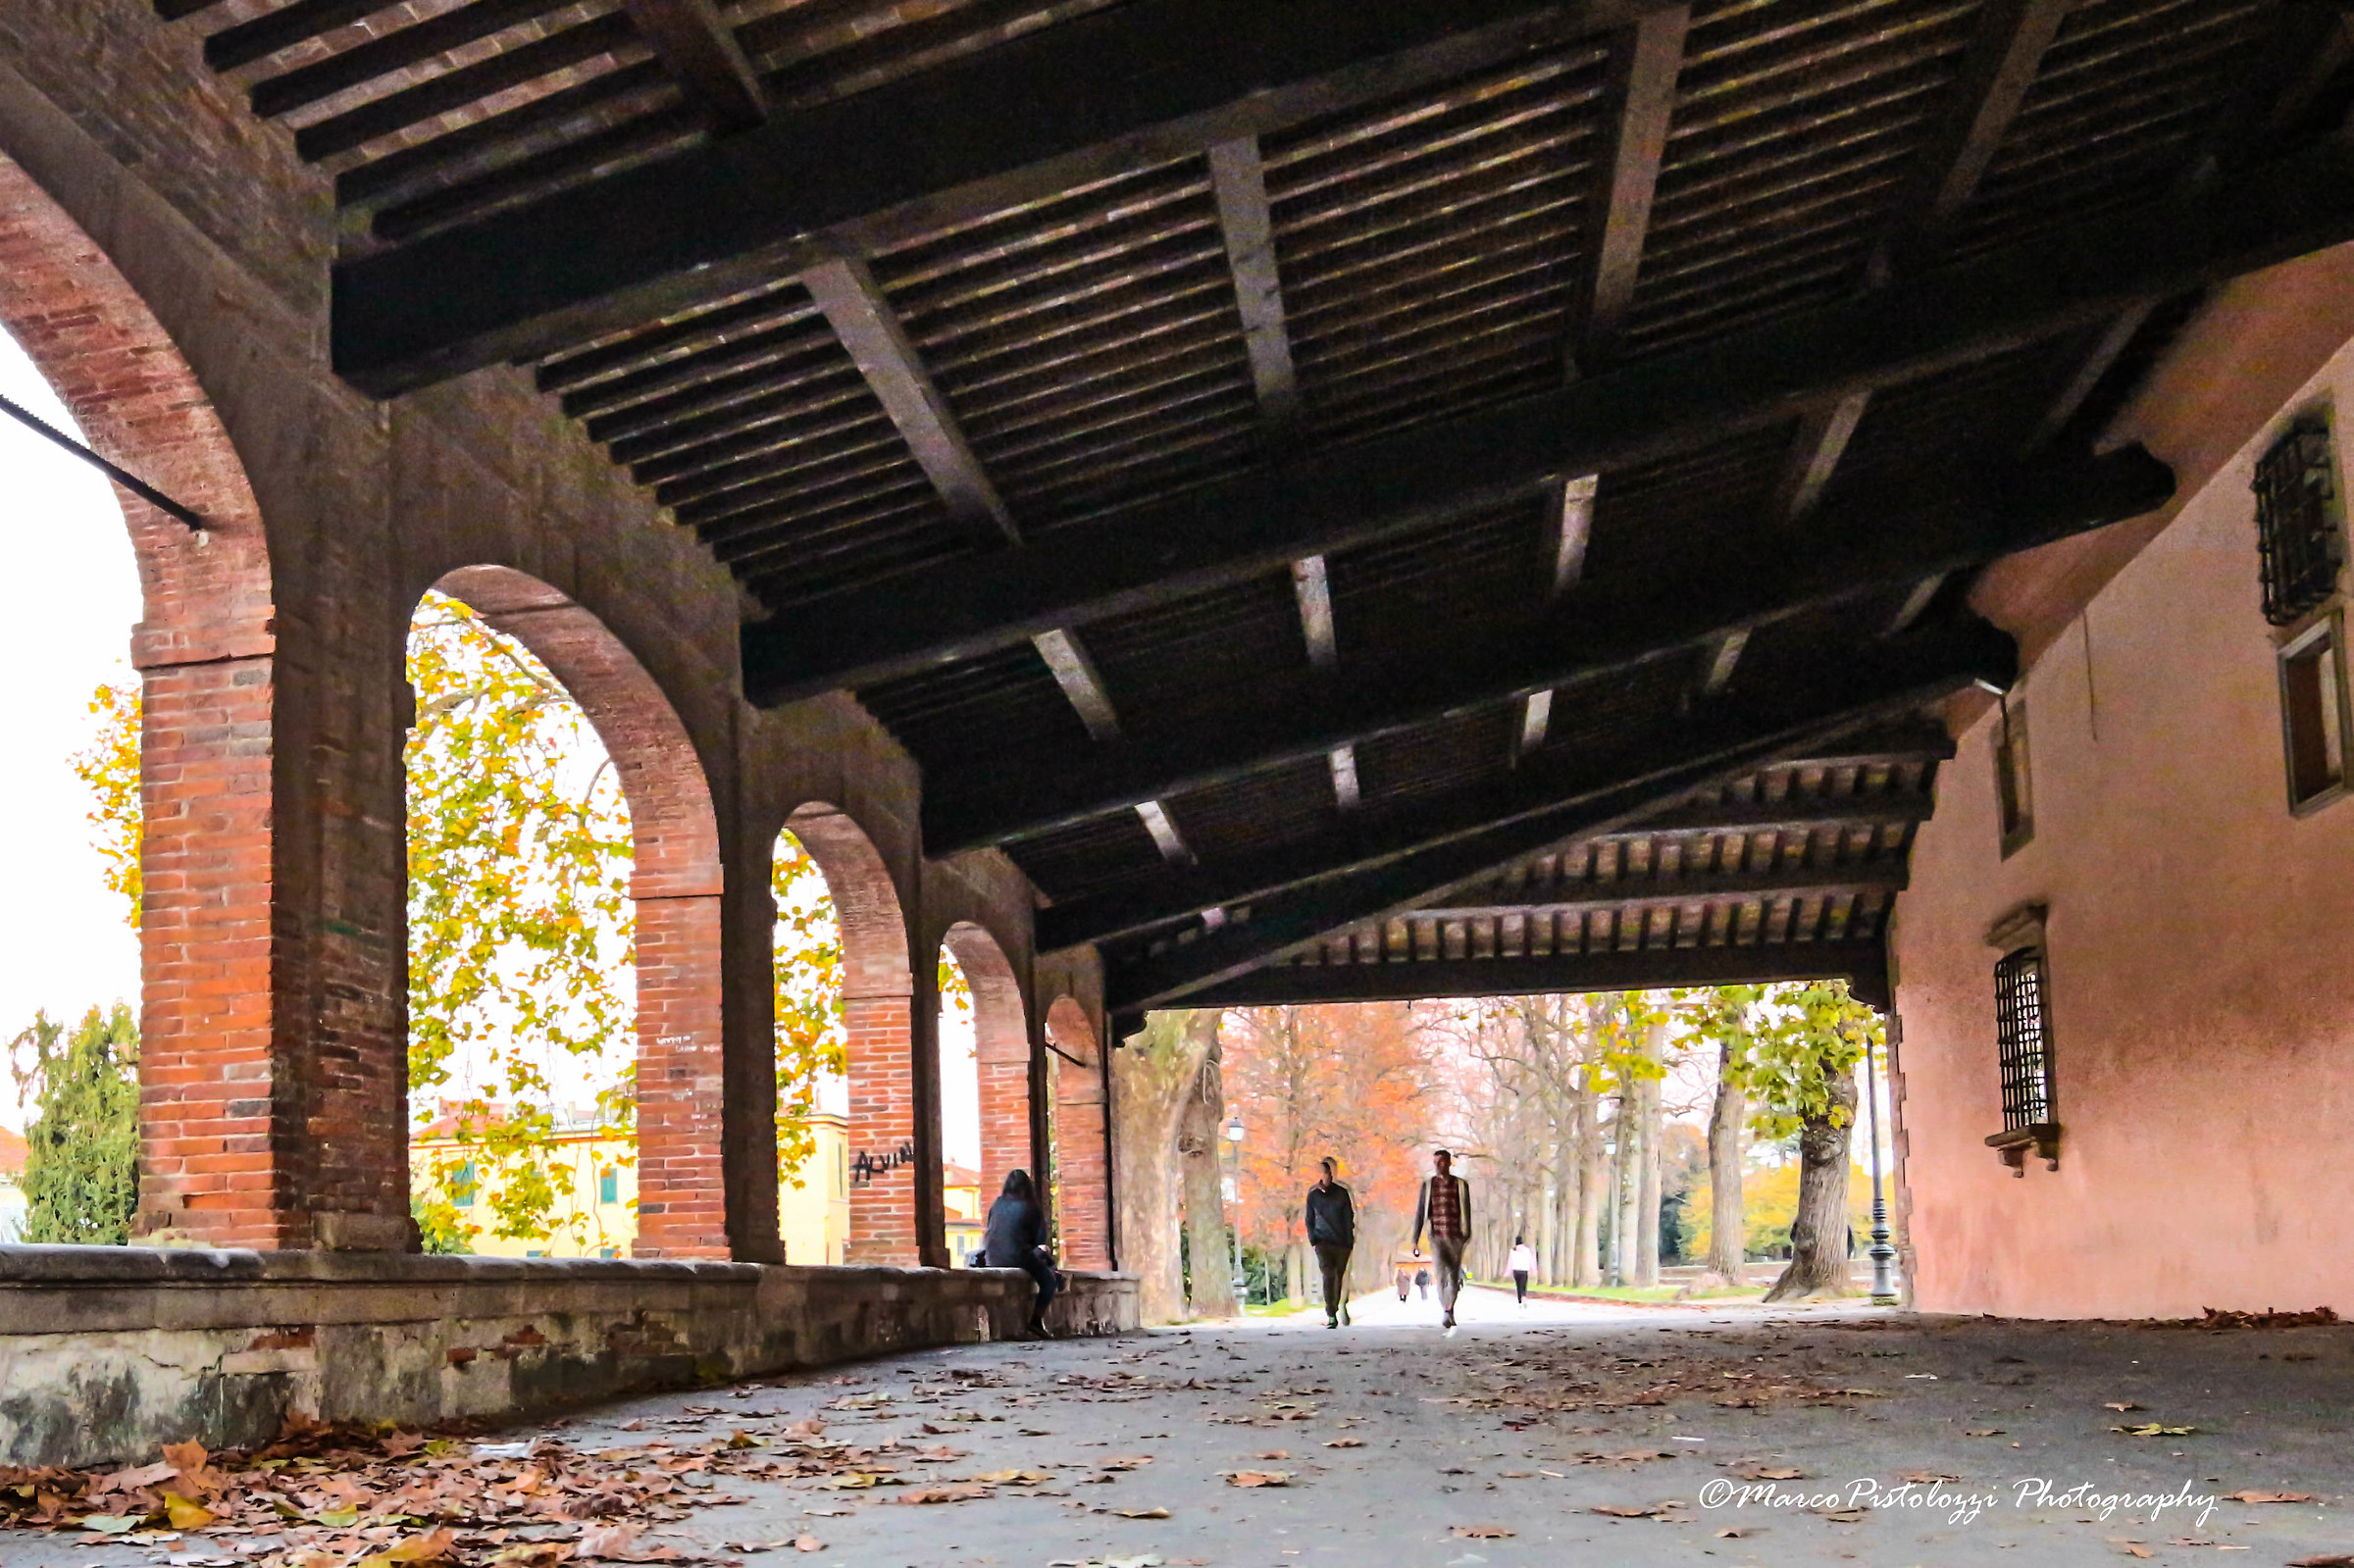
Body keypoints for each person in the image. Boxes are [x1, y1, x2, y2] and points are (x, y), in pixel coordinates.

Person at [984, 1168, 1058, 1337]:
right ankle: (1036, 1320)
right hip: (1016, 1257)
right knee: (1049, 1281)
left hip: (991, 1257)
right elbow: (1037, 1241)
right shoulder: (1030, 1207)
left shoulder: (997, 1204)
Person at [1410, 1147, 1473, 1336]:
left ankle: (1450, 1307)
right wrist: (1415, 1240)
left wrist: (1466, 1234)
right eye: (1435, 1162)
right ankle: (1446, 1310)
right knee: (1440, 1275)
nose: (1437, 1165)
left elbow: (1466, 1211)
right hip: (1436, 1237)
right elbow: (1420, 1213)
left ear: (1449, 1163)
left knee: (1453, 1276)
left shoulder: (1460, 1185)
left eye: (1441, 1162)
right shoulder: (1429, 1185)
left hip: (1455, 1237)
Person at [1303, 1156, 1356, 1329]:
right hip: (1322, 1241)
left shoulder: (1342, 1193)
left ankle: (1337, 1305)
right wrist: (1313, 1239)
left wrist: (1349, 1240)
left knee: (1338, 1276)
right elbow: (1309, 1219)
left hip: (1341, 1242)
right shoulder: (1313, 1195)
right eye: (1325, 1173)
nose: (1327, 1176)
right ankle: (1331, 1313)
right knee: (1328, 1275)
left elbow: (1349, 1217)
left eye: (1329, 1173)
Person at [1508, 1235, 1537, 1307]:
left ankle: (1520, 1302)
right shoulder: (1527, 1250)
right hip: (1524, 1270)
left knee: (1518, 1286)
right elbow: (1531, 1261)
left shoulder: (1512, 1251)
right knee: (1523, 1285)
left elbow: (1510, 1262)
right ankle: (1524, 1297)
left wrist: (1508, 1272)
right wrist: (1533, 1270)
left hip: (1516, 1270)